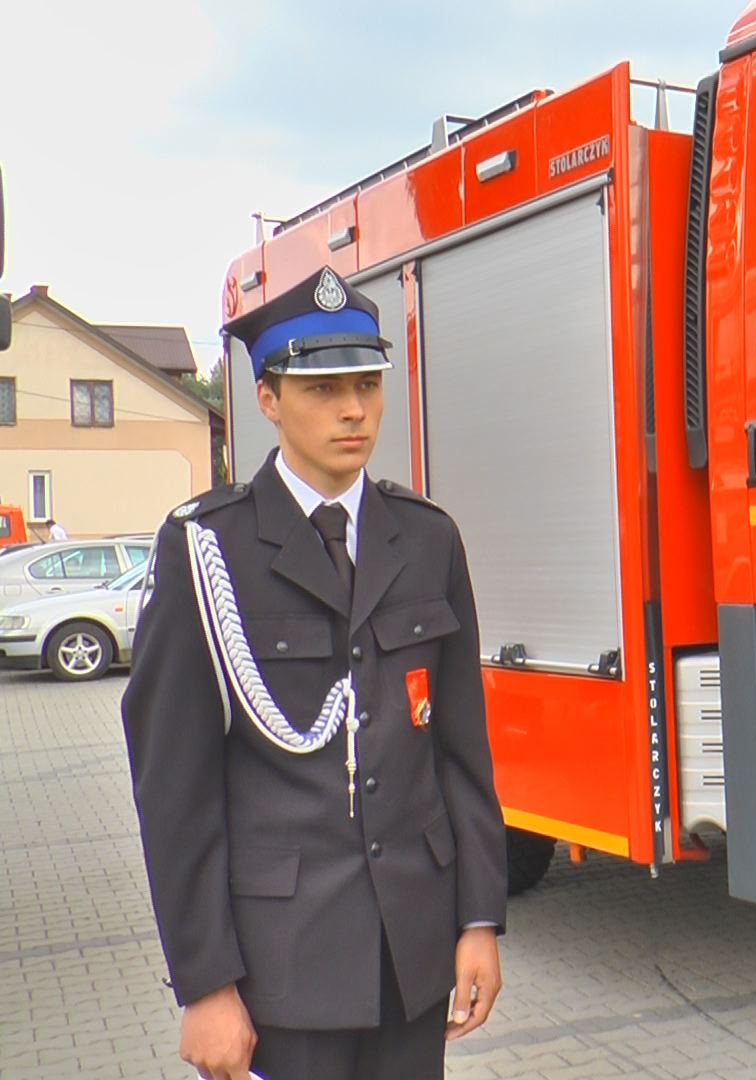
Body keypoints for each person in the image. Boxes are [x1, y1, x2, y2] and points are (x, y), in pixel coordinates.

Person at [121, 267, 508, 1080]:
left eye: (367, 384)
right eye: (323, 388)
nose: (354, 410)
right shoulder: (208, 549)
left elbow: (461, 756)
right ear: (268, 398)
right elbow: (175, 789)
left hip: (412, 959)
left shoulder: (427, 539)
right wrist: (205, 984)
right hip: (282, 969)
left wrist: (478, 918)